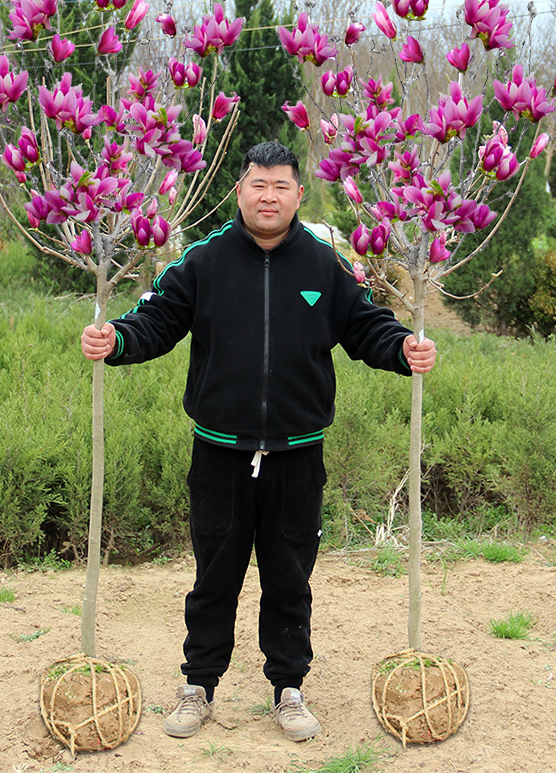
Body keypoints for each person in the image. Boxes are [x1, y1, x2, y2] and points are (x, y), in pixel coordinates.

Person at [80, 142, 436, 742]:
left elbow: (365, 325)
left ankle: (288, 688)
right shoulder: (204, 261)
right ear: (239, 191)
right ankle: (199, 686)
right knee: (214, 575)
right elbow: (158, 318)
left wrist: (402, 348)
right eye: (257, 185)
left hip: (299, 454)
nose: (268, 196)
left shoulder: (325, 266)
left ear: (299, 194)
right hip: (219, 450)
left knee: (289, 575)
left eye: (280, 186)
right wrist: (117, 340)